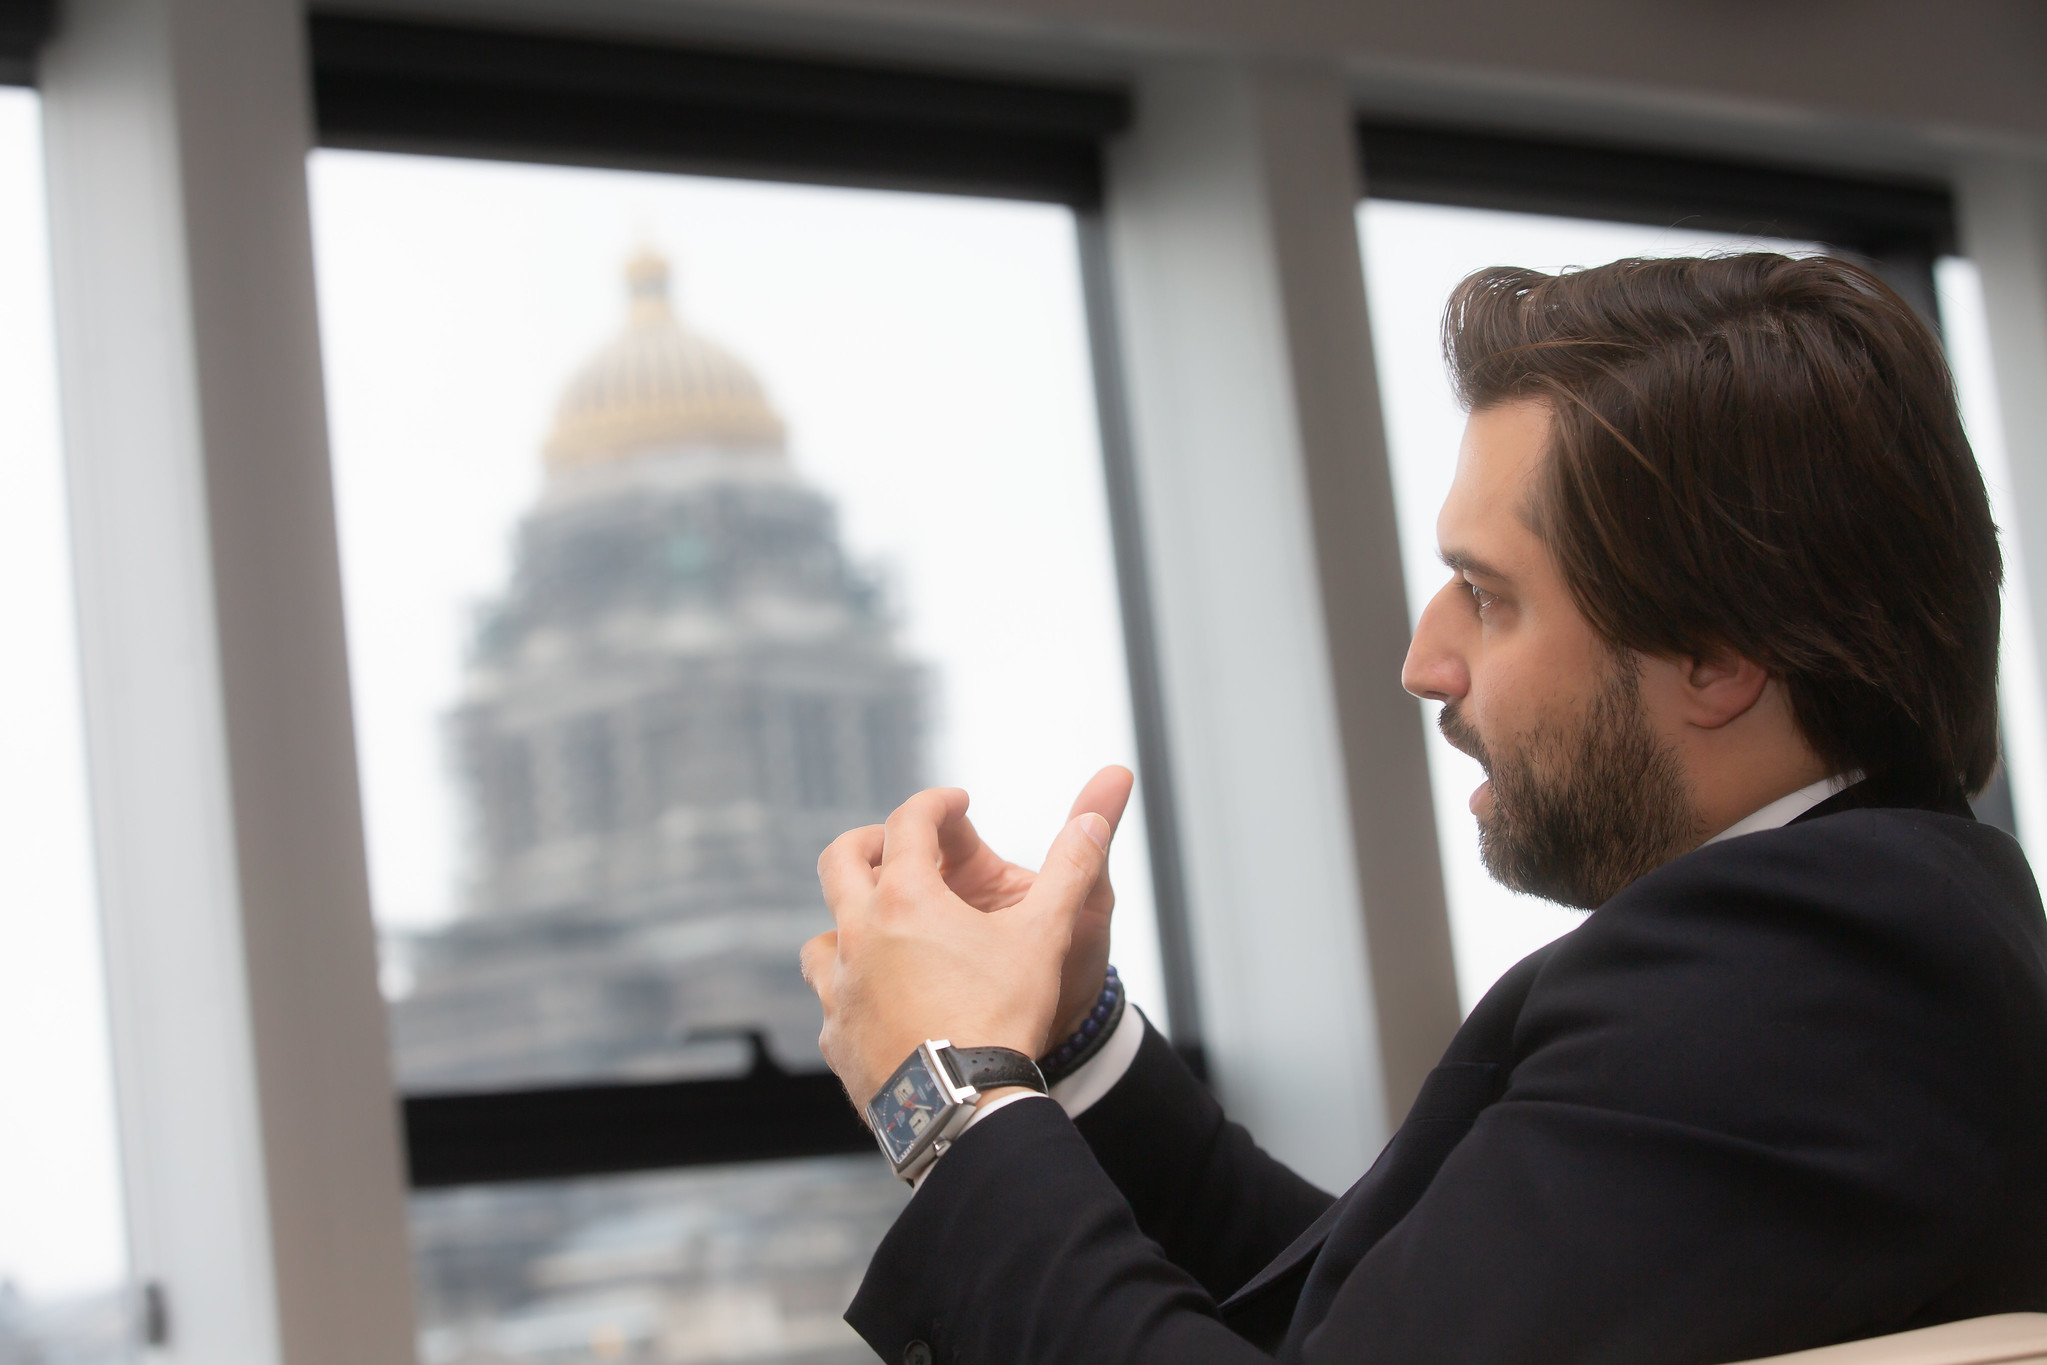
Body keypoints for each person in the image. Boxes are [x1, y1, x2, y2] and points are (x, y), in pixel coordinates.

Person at [798, 253, 2047, 1365]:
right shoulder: (1856, 938)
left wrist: (950, 1096)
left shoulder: (1809, 967)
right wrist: (1073, 1045)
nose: (1423, 663)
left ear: (1718, 656)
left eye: (1488, 596)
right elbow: (1368, 1310)